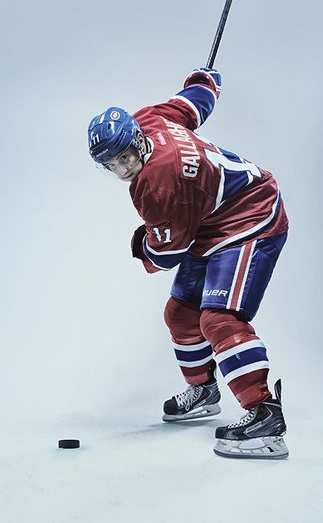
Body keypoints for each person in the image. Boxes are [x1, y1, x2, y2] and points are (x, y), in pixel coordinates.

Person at [87, 68, 289, 459]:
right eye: (112, 163)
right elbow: (191, 104)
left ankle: (264, 416)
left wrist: (143, 244)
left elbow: (166, 254)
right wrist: (204, 80)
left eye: (126, 157)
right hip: (212, 220)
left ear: (137, 140)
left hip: (251, 218)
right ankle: (205, 391)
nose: (124, 168)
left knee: (219, 319)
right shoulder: (149, 118)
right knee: (180, 314)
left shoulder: (158, 184)